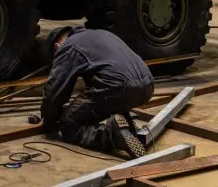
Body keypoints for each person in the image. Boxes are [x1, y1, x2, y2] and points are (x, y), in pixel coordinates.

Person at [41, 26, 154, 158]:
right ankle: (127, 129)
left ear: (56, 47)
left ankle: (111, 136)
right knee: (105, 100)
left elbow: (54, 91)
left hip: (118, 87)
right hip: (148, 86)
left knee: (69, 123)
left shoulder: (68, 47)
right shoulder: (103, 34)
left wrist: (49, 119)